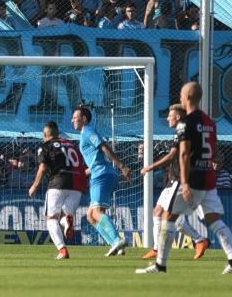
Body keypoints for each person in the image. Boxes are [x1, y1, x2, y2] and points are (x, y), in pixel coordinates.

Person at [137, 82, 232, 275]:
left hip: (191, 177)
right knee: (215, 221)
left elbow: (184, 154)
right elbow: (216, 151)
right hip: (207, 178)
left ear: (186, 97)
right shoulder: (210, 122)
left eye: (180, 94)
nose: (179, 98)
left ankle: (160, 265)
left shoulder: (185, 123)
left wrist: (185, 183)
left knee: (167, 218)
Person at [138, 104, 209, 260]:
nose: (167, 118)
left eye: (170, 116)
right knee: (160, 213)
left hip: (181, 180)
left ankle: (197, 241)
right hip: (175, 179)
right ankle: (196, 241)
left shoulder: (183, 130)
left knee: (169, 217)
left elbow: (172, 156)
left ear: (177, 117)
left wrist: (149, 167)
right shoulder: (186, 130)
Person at [71, 105, 132, 256]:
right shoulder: (84, 135)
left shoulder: (88, 131)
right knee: (91, 216)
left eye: (75, 117)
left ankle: (117, 240)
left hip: (102, 175)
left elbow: (104, 147)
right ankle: (116, 245)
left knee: (97, 212)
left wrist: (122, 165)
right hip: (100, 173)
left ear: (84, 119)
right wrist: (81, 174)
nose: (72, 120)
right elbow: (95, 160)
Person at [28, 120, 87, 260]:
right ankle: (67, 221)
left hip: (58, 183)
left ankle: (62, 250)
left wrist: (35, 186)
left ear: (45, 134)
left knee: (51, 219)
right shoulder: (72, 145)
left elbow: (43, 168)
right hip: (77, 185)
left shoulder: (46, 146)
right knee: (63, 216)